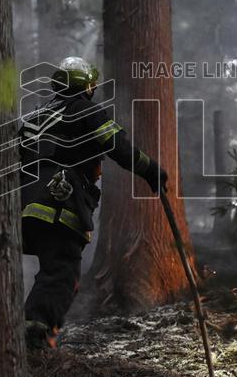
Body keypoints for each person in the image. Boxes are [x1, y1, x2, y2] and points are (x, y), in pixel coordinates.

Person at [18, 57, 167, 349]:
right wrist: (152, 170)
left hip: (25, 207)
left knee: (51, 268)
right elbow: (119, 147)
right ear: (87, 86)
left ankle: (27, 334)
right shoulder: (86, 111)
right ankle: (34, 341)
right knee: (61, 271)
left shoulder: (34, 117)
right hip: (60, 206)